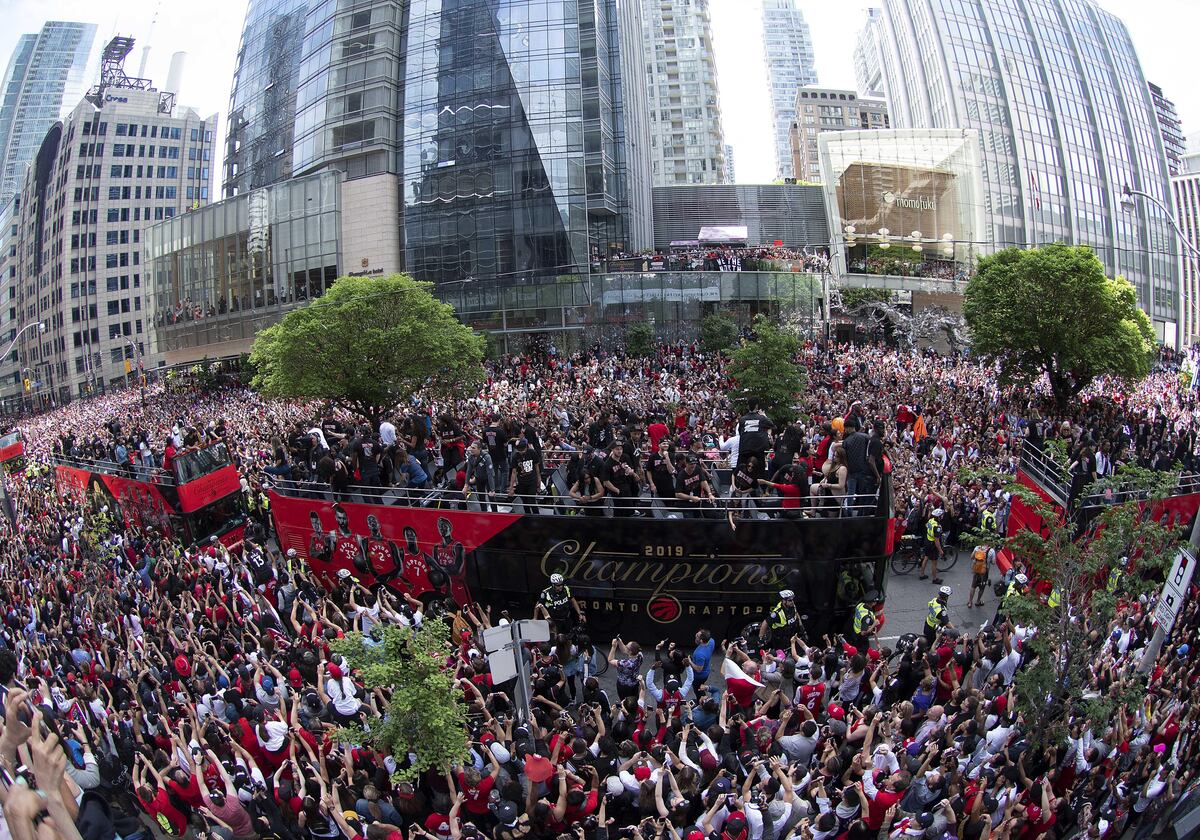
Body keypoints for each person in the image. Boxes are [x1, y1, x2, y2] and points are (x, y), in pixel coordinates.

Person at [507, 438, 541, 513]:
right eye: (519, 450)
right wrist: (511, 487)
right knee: (525, 502)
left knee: (532, 500)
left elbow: (536, 466)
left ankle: (537, 516)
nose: (521, 452)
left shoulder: (532, 452)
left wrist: (539, 479)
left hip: (532, 480)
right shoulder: (515, 456)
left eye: (523, 450)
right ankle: (528, 516)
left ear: (526, 447)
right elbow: (513, 472)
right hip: (522, 482)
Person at [921, 508, 946, 584]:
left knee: (926, 557)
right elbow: (937, 541)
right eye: (941, 515)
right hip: (932, 545)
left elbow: (926, 526)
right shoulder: (937, 527)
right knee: (934, 562)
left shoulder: (931, 521)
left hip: (927, 541)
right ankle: (935, 579)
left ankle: (922, 574)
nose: (942, 517)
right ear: (938, 517)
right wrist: (940, 551)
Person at [968, 541, 995, 608]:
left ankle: (970, 602)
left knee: (973, 586)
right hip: (984, 572)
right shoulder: (991, 551)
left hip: (976, 570)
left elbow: (971, 557)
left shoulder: (977, 548)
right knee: (982, 587)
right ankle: (978, 601)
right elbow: (993, 562)